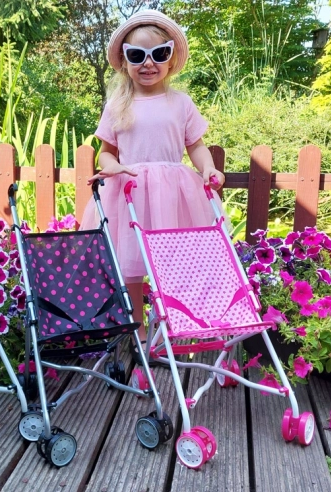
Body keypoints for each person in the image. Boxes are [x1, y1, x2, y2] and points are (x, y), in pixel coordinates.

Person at [80, 10, 227, 363]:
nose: (148, 64)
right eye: (137, 55)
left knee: (174, 260)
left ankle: (173, 323)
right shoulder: (118, 104)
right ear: (125, 61)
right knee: (131, 265)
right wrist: (112, 167)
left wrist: (208, 167)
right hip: (129, 191)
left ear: (171, 58)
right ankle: (139, 327)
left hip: (172, 194)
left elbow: (195, 145)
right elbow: (106, 152)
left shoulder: (181, 103)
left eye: (159, 54)